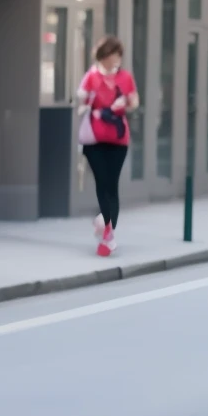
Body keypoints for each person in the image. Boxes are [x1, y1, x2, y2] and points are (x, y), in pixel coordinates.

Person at [76, 36, 138, 257]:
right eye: (113, 55)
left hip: (118, 139)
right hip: (94, 138)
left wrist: (126, 103)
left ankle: (107, 232)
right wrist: (86, 99)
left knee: (111, 185)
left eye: (118, 56)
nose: (116, 60)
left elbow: (134, 101)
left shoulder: (125, 77)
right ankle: (106, 229)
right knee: (102, 183)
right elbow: (80, 100)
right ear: (103, 56)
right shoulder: (91, 76)